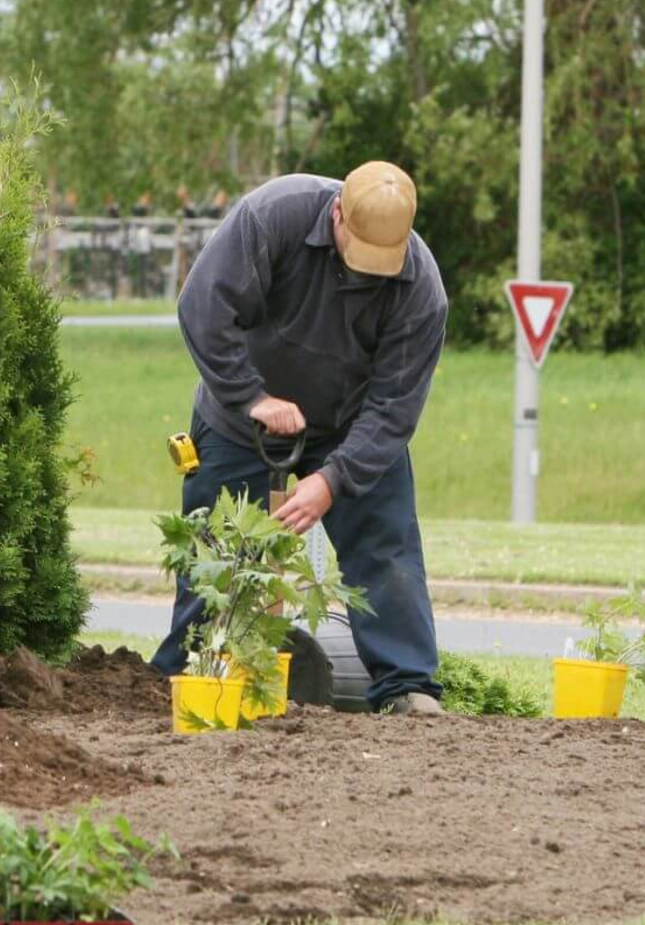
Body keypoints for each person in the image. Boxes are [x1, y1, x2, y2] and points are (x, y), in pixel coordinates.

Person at [150, 162, 450, 714]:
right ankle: (190, 673)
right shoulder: (273, 216)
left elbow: (395, 406)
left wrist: (333, 480)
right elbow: (204, 308)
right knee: (219, 553)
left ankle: (407, 687)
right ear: (337, 214)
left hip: (350, 426)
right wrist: (253, 398)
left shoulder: (421, 289)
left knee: (385, 550)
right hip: (241, 419)